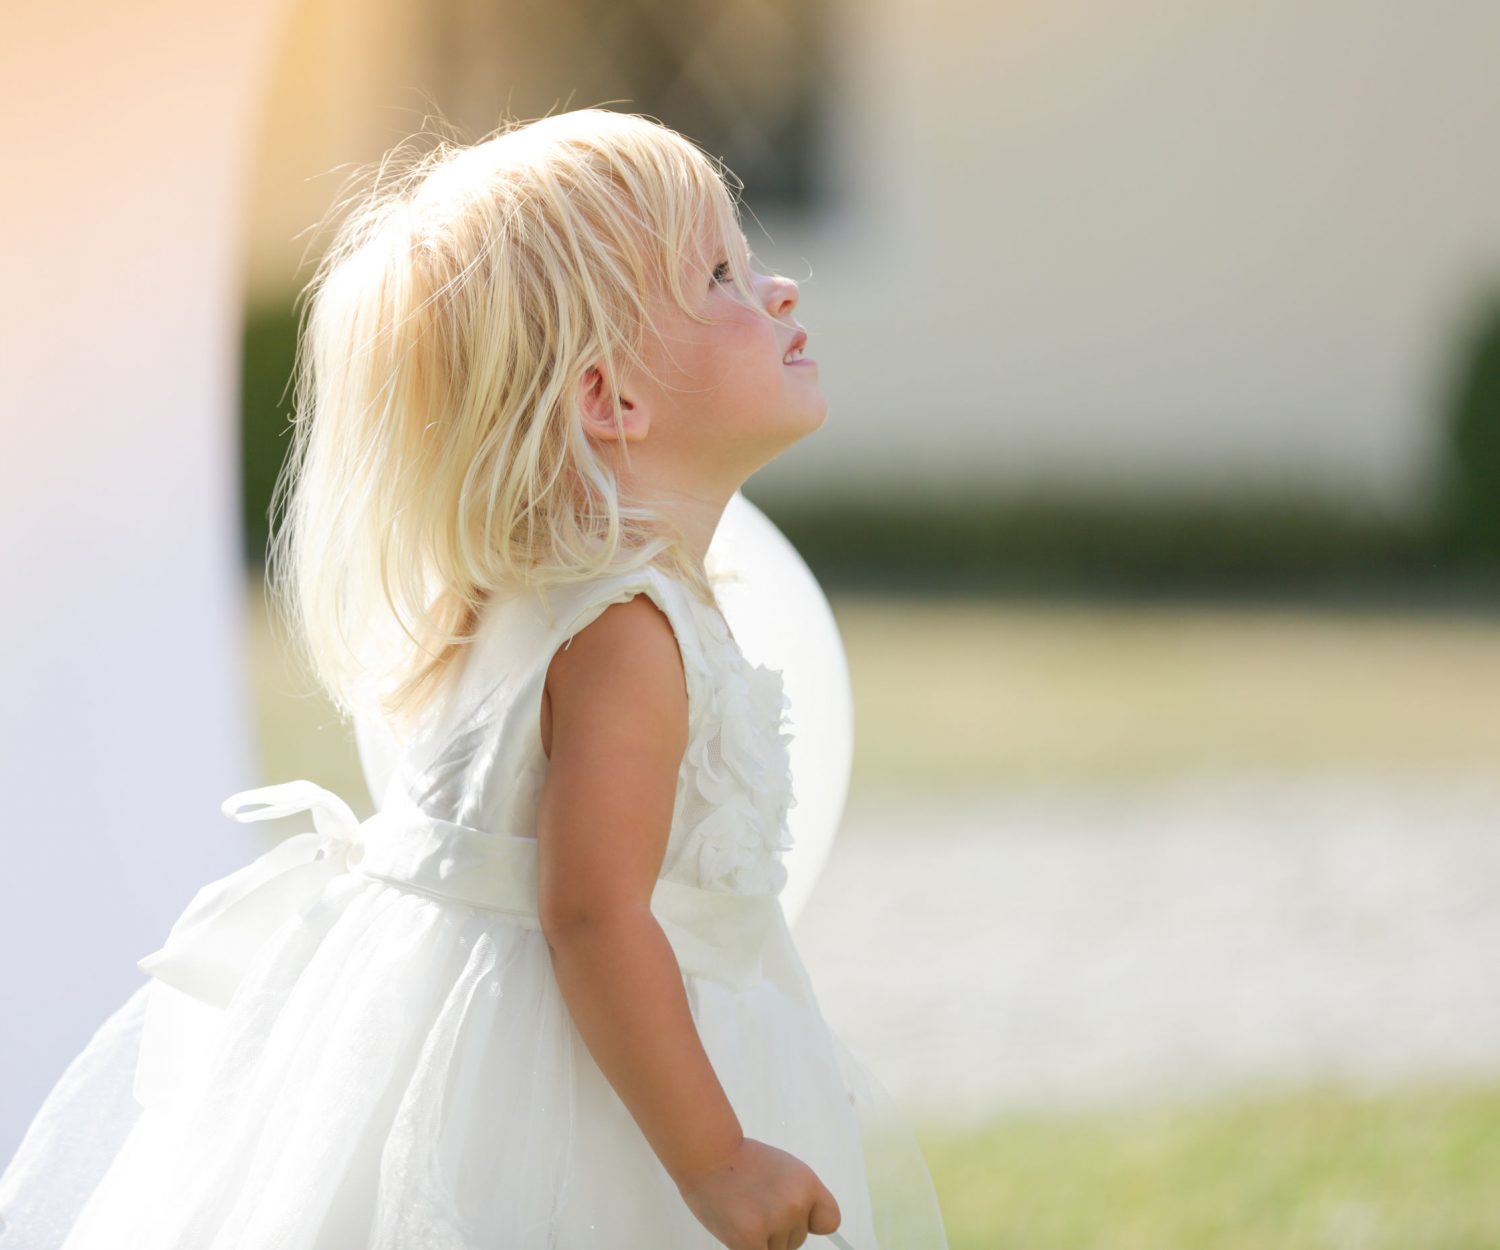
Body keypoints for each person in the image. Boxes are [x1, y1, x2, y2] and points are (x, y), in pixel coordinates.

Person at [0, 107, 949, 1250]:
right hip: (586, 1084)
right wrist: (717, 1156)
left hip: (465, 1033)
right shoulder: (625, 633)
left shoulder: (541, 597)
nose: (781, 290)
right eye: (721, 277)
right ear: (610, 399)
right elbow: (593, 912)